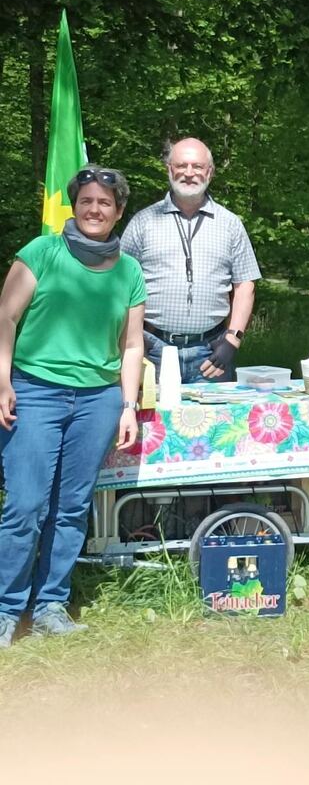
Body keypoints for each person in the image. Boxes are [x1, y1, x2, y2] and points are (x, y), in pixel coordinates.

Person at [0, 166, 145, 646]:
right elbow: (5, 317)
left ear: (118, 212)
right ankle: (6, 608)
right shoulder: (41, 253)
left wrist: (128, 405)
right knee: (25, 505)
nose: (94, 209)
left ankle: (50, 605)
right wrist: (2, 381)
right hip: (34, 392)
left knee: (71, 507)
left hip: (98, 401)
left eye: (105, 203)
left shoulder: (129, 270)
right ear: (74, 205)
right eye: (86, 201)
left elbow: (131, 345)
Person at [121, 137, 261, 383]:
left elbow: (245, 285)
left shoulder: (230, 225)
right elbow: (121, 284)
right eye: (181, 165)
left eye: (197, 166)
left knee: (217, 411)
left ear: (210, 172)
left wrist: (233, 339)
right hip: (152, 349)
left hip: (212, 353)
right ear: (169, 170)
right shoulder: (143, 222)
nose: (188, 173)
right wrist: (130, 340)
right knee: (151, 411)